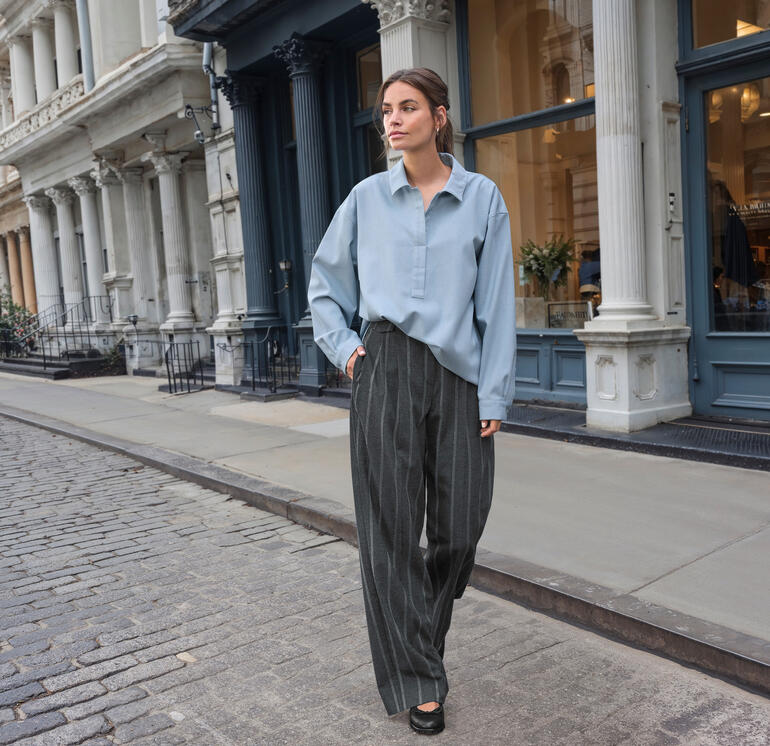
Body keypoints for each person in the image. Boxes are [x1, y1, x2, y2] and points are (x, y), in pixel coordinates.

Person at [307, 67, 516, 735]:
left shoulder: (482, 198)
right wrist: (347, 351)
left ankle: (416, 635)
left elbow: (498, 308)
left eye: (408, 107)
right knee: (389, 532)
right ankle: (420, 679)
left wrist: (496, 391)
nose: (393, 119)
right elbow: (324, 286)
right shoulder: (366, 200)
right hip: (386, 365)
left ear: (440, 116)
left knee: (460, 527)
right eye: (386, 110)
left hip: (459, 374)